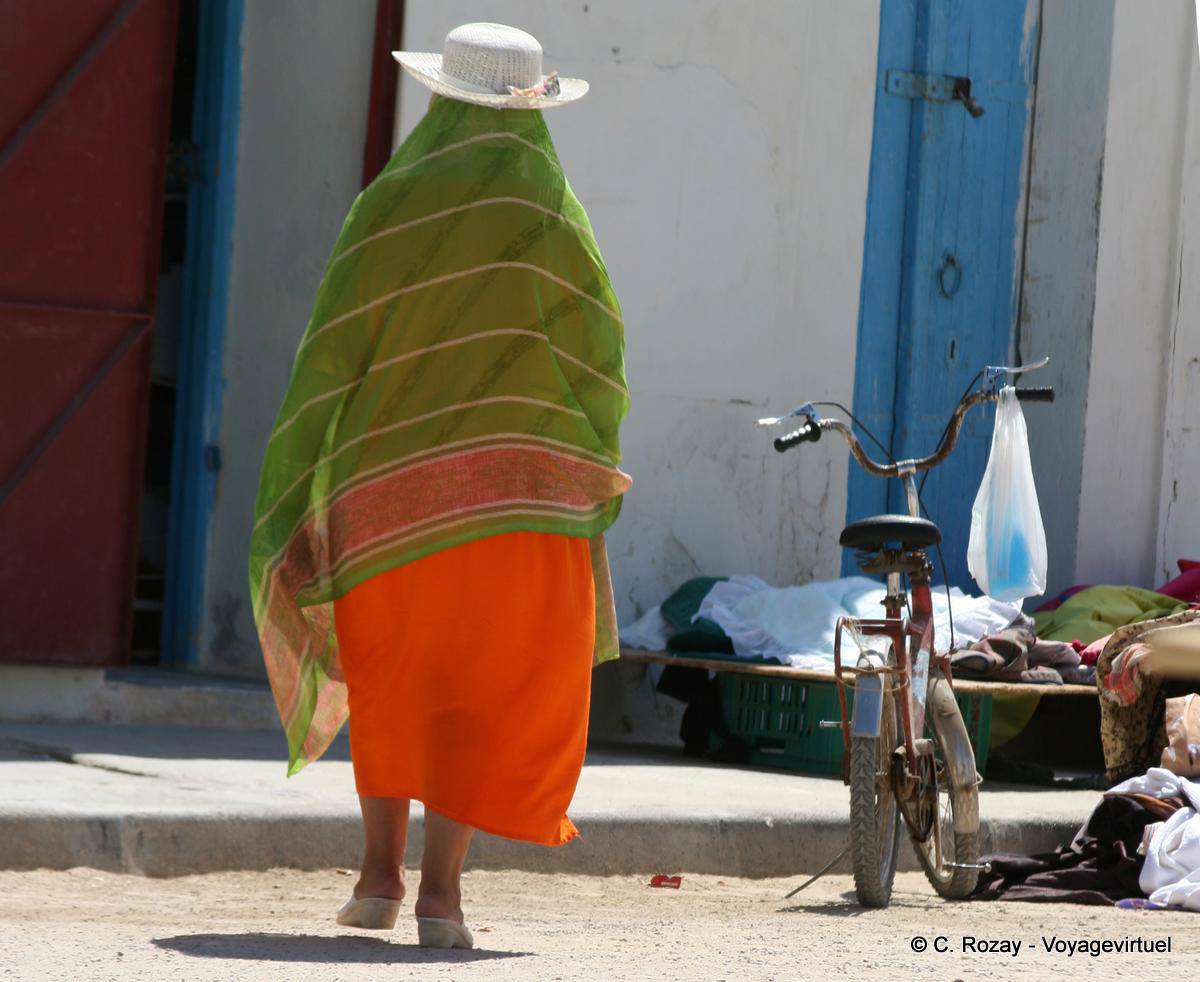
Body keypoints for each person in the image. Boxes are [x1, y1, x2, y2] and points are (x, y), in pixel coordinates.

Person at [248, 23, 630, 949]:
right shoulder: (552, 213)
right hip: (515, 500)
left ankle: (378, 878)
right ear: (530, 109)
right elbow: (600, 358)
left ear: (439, 97)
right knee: (474, 693)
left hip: (386, 492)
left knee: (392, 684)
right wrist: (587, 466)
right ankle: (443, 899)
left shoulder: (392, 202)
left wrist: (308, 468)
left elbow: (334, 345)